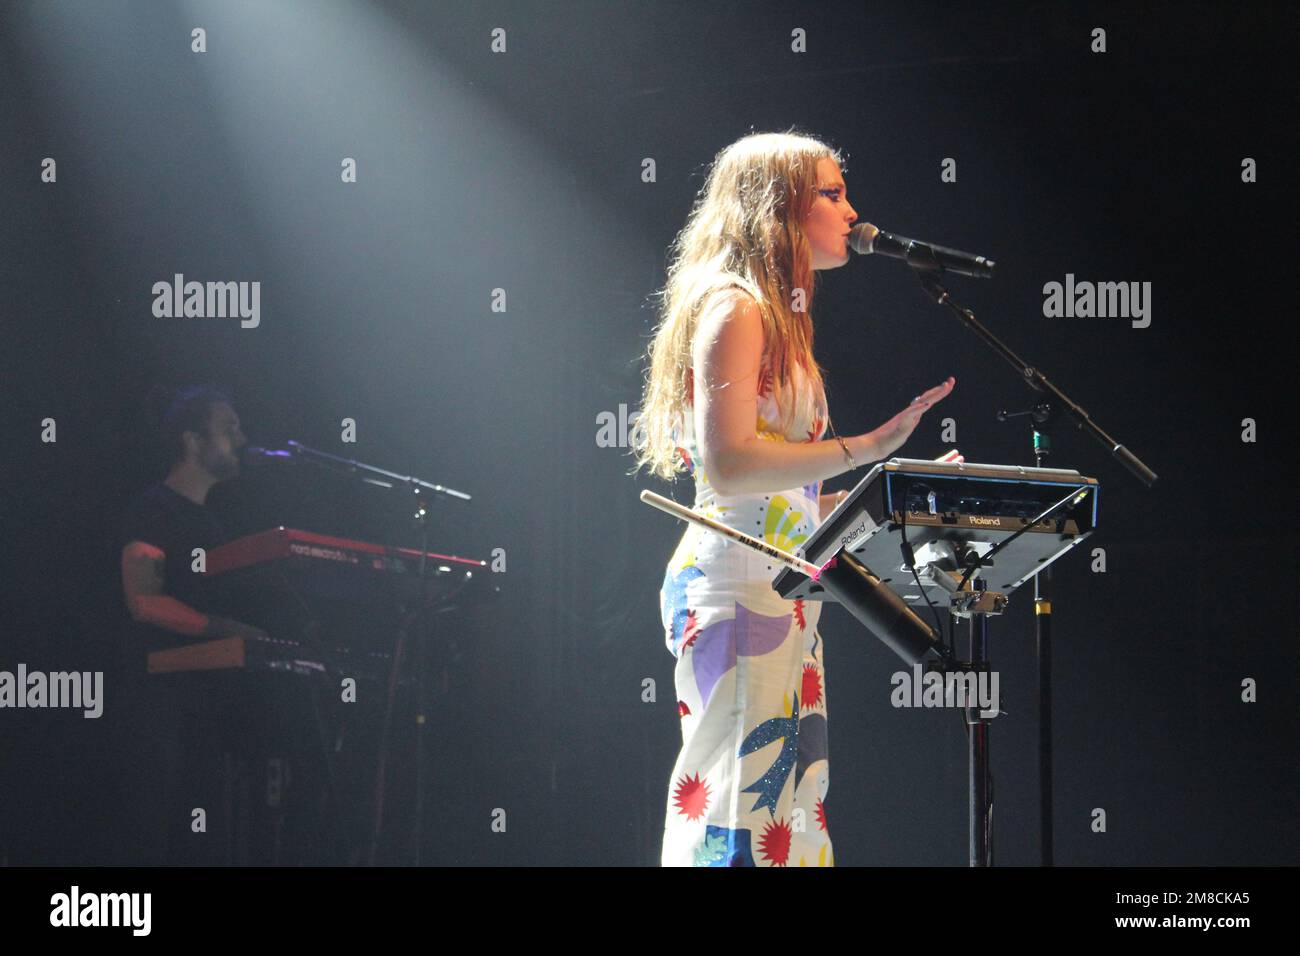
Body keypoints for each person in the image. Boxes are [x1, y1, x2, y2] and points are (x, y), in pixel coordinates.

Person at [634, 131, 954, 866]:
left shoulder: (778, 317)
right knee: (739, 802)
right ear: (778, 208)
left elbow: (783, 490)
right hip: (739, 584)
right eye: (832, 194)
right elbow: (731, 466)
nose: (852, 212)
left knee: (785, 802)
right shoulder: (736, 308)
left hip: (779, 585)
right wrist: (872, 445)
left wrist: (883, 489)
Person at [116, 384, 266, 864]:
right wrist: (228, 630)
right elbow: (145, 601)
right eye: (229, 428)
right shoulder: (153, 510)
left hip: (204, 710)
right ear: (191, 441)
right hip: (158, 709)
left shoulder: (212, 525)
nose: (241, 439)